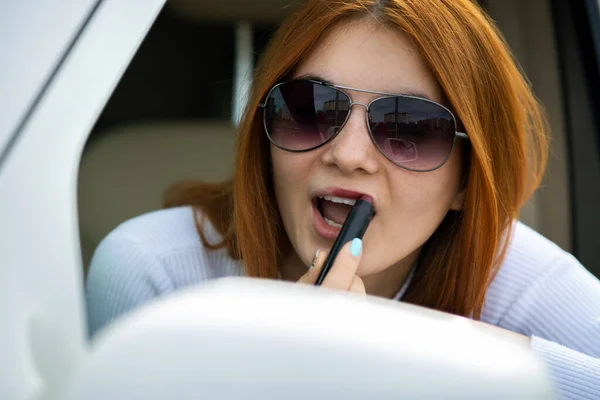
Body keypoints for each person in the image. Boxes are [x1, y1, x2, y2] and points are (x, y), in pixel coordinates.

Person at [85, 0, 600, 397]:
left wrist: (406, 340)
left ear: (466, 182)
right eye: (311, 108)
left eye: (410, 128)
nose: (349, 154)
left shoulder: (506, 269)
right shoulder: (157, 272)